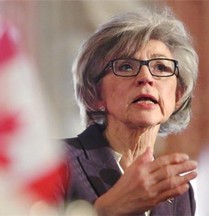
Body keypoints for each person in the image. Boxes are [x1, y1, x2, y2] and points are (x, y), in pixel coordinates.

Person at [61, 7, 199, 216]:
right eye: (126, 66)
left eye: (161, 67)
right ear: (95, 94)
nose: (146, 77)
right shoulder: (59, 162)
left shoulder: (178, 190)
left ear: (177, 96)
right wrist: (107, 210)